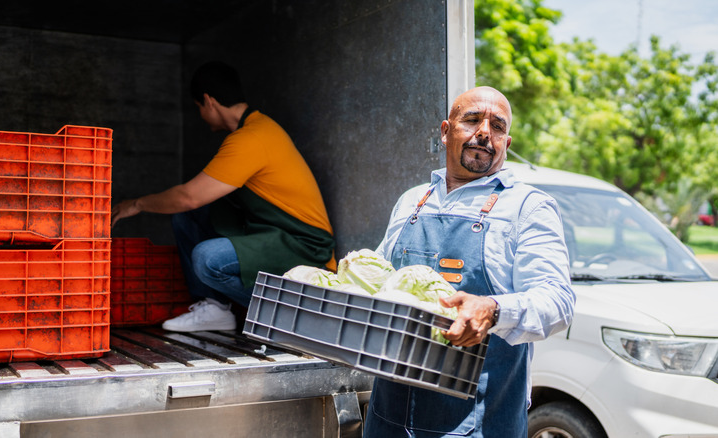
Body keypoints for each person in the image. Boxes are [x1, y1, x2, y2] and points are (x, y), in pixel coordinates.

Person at [364, 86, 575, 437]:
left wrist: (492, 309)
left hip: (477, 423)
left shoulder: (527, 208)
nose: (484, 133)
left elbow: (558, 301)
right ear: (446, 132)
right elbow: (379, 286)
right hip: (389, 419)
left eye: (497, 126)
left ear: (506, 143)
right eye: (473, 120)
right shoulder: (412, 201)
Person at [111, 61, 336, 333]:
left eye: (198, 108)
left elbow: (188, 196)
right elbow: (192, 204)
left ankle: (291, 317)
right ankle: (213, 309)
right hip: (273, 233)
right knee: (190, 217)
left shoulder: (253, 137)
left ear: (209, 101)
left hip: (306, 248)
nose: (201, 115)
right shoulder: (254, 129)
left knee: (207, 258)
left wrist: (137, 204)